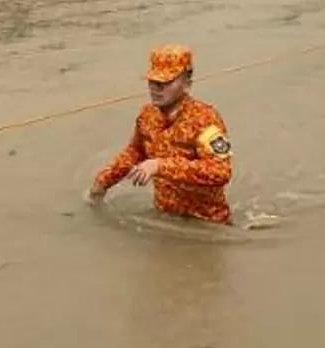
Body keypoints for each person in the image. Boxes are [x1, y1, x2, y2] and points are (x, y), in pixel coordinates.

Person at [86, 44, 234, 224]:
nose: (156, 88)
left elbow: (220, 171)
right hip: (165, 218)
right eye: (153, 82)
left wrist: (160, 166)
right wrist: (102, 182)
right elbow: (134, 152)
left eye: (165, 83)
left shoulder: (206, 120)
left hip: (207, 224)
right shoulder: (147, 116)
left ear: (187, 84)